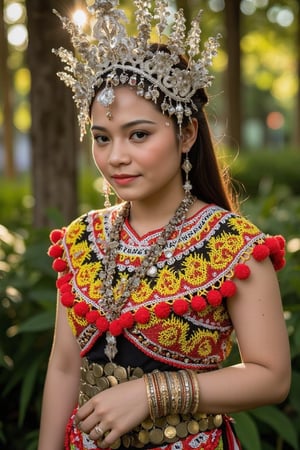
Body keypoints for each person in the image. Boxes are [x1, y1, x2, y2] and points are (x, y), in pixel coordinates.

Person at [38, 1, 291, 449]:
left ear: (186, 134)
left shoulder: (233, 245)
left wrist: (151, 394)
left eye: (139, 135)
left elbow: (271, 377)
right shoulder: (81, 239)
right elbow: (64, 366)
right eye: (102, 138)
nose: (116, 156)